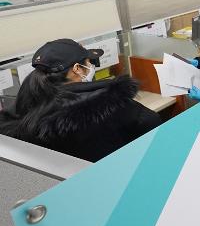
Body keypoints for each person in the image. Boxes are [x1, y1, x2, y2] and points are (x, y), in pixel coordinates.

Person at [0, 39, 161, 162]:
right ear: (77, 69)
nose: (92, 66)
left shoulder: (26, 107)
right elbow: (154, 125)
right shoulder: (111, 103)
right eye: (89, 62)